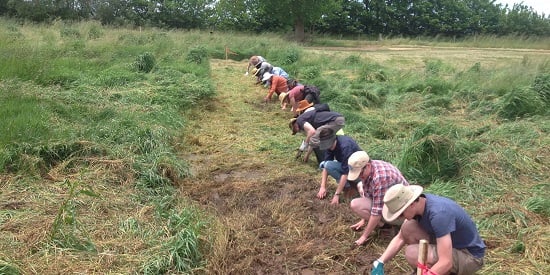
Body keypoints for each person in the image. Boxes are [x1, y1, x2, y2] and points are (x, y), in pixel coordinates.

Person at [371, 184, 486, 275]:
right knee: (408, 227)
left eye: (401, 214)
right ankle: (428, 270)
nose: (400, 218)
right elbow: (400, 237)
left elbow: (446, 261)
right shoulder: (421, 205)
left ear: (411, 204)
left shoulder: (438, 214)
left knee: (412, 253)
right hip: (450, 245)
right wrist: (380, 262)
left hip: (469, 256)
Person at [346, 151, 409, 246]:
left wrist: (363, 237)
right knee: (360, 186)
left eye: (360, 173)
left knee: (356, 204)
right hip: (390, 202)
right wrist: (364, 219)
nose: (359, 176)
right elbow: (368, 193)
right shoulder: (372, 166)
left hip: (402, 212)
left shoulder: (380, 178)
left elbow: (377, 212)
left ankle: (388, 227)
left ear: (367, 166)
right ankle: (384, 224)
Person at [315, 131, 361, 204]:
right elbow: (325, 167)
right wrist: (322, 187)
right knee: (324, 164)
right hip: (347, 167)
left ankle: (350, 187)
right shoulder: (330, 146)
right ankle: (347, 186)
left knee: (329, 165)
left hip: (359, 170)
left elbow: (345, 172)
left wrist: (337, 194)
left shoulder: (345, 146)